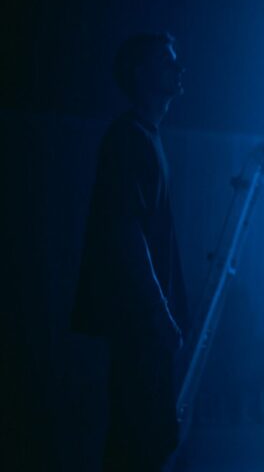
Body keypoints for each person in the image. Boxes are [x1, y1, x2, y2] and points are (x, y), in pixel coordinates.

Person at [70, 32, 189, 471]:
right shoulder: (128, 139)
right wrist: (159, 312)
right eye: (166, 60)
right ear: (141, 72)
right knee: (138, 440)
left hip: (145, 323)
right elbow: (126, 232)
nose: (178, 68)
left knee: (145, 437)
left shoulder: (145, 136)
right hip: (139, 322)